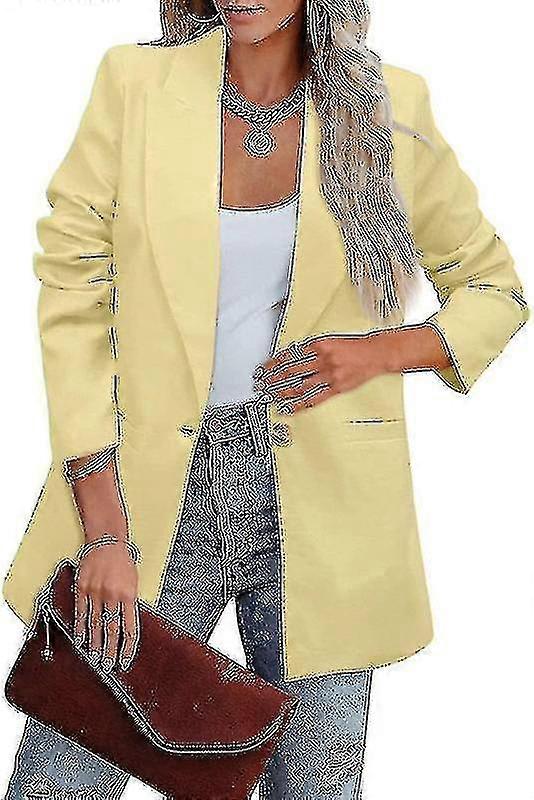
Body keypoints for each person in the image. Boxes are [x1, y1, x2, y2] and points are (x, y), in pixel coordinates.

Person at [2, 0, 530, 797]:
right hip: (151, 489)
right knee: (60, 781)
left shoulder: (388, 108)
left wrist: (375, 352)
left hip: (326, 498)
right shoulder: (135, 85)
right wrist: (103, 526)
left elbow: (495, 290)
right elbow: (71, 293)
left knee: (316, 787)